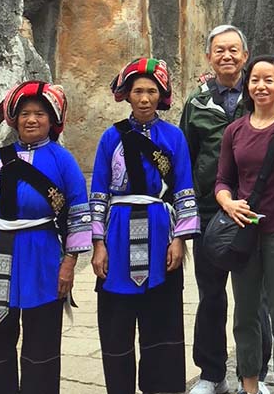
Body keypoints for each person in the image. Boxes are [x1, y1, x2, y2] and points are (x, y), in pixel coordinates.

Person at [180, 25, 274, 394]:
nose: (227, 56)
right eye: (219, 50)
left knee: (264, 304)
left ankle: (259, 375)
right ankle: (212, 373)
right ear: (209, 57)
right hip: (213, 215)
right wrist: (198, 209)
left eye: (234, 50)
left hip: (268, 222)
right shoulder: (198, 104)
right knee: (213, 296)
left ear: (246, 57)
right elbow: (187, 160)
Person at [0, 81, 92, 394]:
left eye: (39, 114)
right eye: (25, 113)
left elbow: (79, 214)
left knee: (42, 331)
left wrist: (69, 264)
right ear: (14, 119)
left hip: (42, 252)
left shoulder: (62, 160)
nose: (32, 119)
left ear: (51, 119)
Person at [90, 57, 200, 394]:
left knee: (162, 320)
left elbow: (183, 188)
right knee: (117, 322)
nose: (144, 98)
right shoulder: (111, 138)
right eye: (138, 90)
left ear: (161, 95)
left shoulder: (174, 137)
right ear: (127, 94)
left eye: (151, 91)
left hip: (160, 233)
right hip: (118, 234)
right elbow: (98, 191)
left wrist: (180, 239)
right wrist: (98, 244)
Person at [215, 55, 274, 394]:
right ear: (246, 85)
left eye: (269, 79)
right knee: (246, 311)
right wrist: (227, 201)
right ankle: (249, 383)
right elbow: (222, 179)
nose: (261, 86)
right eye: (255, 80)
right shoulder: (235, 131)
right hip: (244, 231)